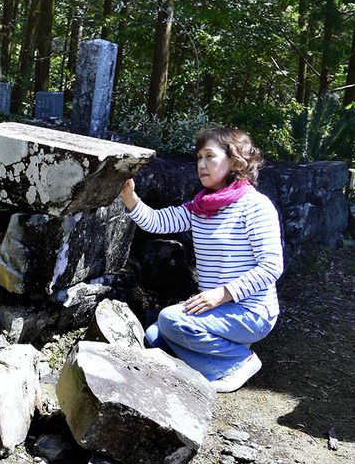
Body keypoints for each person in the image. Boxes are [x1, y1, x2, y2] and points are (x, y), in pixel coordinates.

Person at [119, 126, 284, 392]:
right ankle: (212, 362)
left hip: (253, 312)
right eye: (199, 158)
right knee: (154, 335)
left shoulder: (256, 206)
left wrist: (223, 294)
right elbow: (158, 222)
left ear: (235, 161)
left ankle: (238, 361)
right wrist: (130, 198)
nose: (202, 164)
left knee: (171, 320)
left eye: (210, 156)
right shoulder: (201, 207)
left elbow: (272, 266)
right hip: (218, 310)